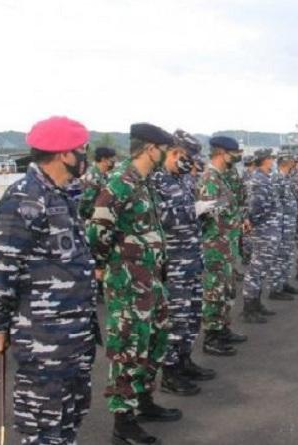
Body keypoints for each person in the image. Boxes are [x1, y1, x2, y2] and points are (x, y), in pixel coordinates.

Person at [0, 116, 97, 445]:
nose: (84, 156)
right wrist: (1, 325)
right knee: (41, 428)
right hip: (44, 341)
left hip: (74, 337)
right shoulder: (25, 199)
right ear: (64, 154)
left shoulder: (61, 195)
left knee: (69, 419)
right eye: (81, 149)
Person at [87, 122, 181, 445]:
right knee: (128, 348)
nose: (166, 153)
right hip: (128, 283)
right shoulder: (120, 182)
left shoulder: (144, 181)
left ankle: (143, 400)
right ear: (150, 149)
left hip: (151, 280)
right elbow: (97, 230)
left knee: (154, 339)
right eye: (163, 148)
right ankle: (122, 422)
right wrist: (105, 266)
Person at [149, 129, 214, 398]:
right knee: (175, 320)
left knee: (191, 316)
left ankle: (185, 360)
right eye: (187, 157)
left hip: (191, 260)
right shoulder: (156, 181)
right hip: (173, 263)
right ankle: (171, 373)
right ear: (174, 153)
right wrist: (193, 210)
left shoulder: (184, 179)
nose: (191, 163)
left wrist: (203, 210)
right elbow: (160, 218)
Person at [195, 136, 249, 354]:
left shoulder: (222, 177)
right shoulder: (209, 178)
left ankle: (223, 328)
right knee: (214, 293)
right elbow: (203, 214)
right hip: (215, 247)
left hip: (226, 245)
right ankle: (212, 337)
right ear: (220, 152)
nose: (237, 157)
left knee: (226, 291)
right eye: (233, 152)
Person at [240, 148, 280, 323]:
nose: (273, 160)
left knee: (262, 268)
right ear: (265, 160)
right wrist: (254, 224)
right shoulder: (258, 179)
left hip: (269, 229)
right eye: (271, 158)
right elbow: (255, 208)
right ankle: (249, 307)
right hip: (264, 230)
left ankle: (256, 303)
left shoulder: (265, 177)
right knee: (256, 269)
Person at [269, 152, 298, 300]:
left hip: (288, 223)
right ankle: (276, 288)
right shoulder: (276, 178)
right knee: (280, 257)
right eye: (292, 160)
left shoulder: (285, 177)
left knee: (287, 255)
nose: (294, 162)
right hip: (281, 224)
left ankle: (284, 282)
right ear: (286, 162)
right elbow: (276, 203)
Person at [79, 146, 116, 220]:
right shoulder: (92, 178)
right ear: (103, 159)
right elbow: (85, 207)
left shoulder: (104, 176)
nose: (114, 160)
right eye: (112, 158)